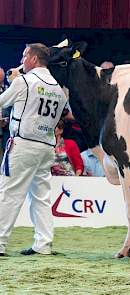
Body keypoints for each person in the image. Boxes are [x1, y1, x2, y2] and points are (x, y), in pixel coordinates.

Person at [0, 43, 68, 256]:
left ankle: (0, 243)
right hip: (47, 147)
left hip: (23, 144)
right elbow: (60, 118)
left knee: (9, 193)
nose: (21, 61)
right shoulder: (59, 89)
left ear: (34, 59)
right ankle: (43, 244)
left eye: (24, 56)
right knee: (41, 196)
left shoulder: (24, 82)